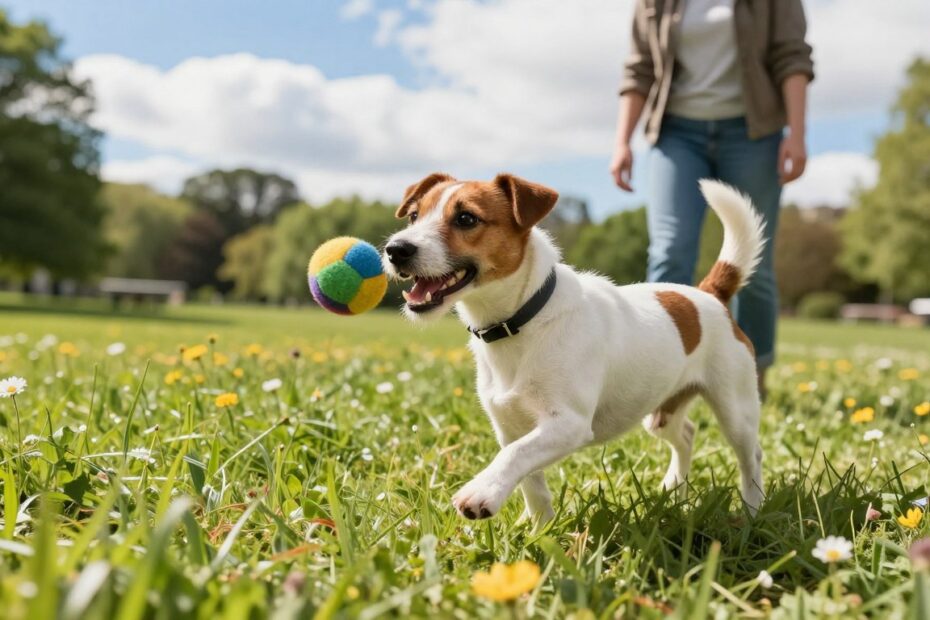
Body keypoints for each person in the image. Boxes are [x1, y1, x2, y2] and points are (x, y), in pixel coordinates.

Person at [609, 0, 814, 395]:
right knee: (670, 250)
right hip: (676, 133)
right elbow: (639, 68)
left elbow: (792, 57)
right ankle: (661, 377)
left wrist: (798, 134)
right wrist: (622, 141)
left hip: (753, 132)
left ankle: (752, 376)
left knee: (753, 264)